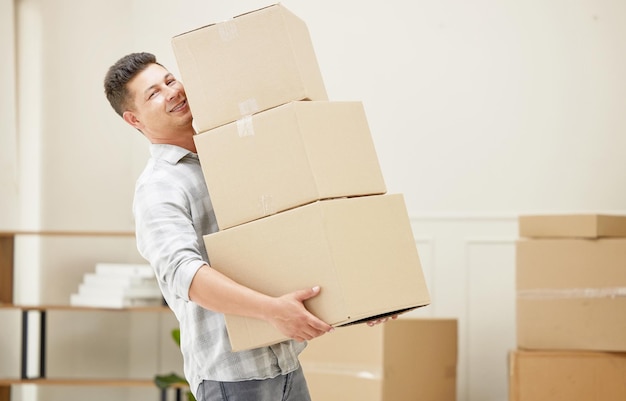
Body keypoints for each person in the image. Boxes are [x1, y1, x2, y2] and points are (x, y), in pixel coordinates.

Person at [103, 52, 393, 401]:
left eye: (170, 80)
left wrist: (358, 301)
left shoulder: (233, 159)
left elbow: (287, 234)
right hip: (232, 378)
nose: (172, 92)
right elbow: (185, 274)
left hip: (285, 364)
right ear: (134, 120)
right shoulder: (159, 186)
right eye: (154, 93)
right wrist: (273, 311)